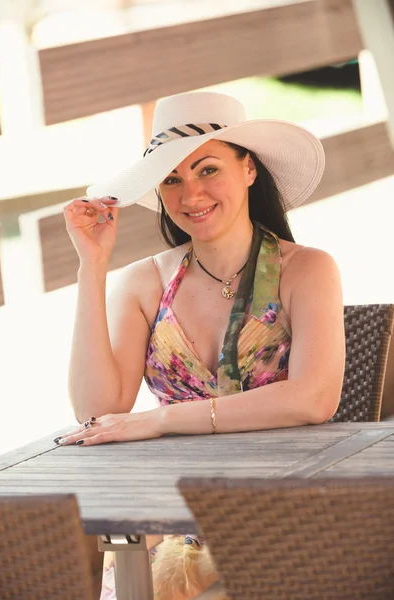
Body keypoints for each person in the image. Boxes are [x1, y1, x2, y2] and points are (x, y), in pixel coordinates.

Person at [60, 91, 345, 599]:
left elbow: (313, 398)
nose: (191, 194)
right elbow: (98, 411)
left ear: (249, 170)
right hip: (171, 505)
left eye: (207, 169)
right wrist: (92, 267)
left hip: (283, 501)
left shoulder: (307, 270)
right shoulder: (143, 283)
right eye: (172, 179)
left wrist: (161, 419)